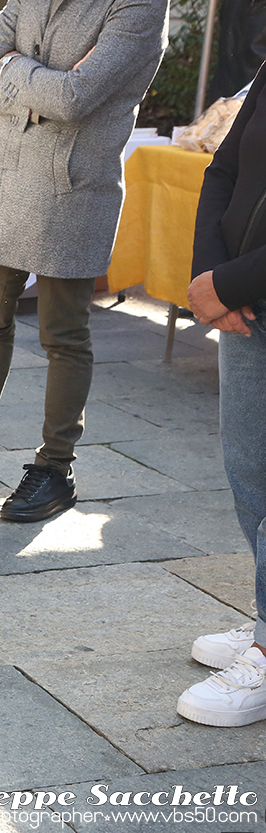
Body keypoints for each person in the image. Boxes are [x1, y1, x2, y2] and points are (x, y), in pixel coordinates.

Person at [0, 0, 168, 523]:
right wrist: (39, 88)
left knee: (63, 333)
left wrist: (14, 68)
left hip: (74, 188)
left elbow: (74, 98)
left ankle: (55, 467)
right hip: (5, 180)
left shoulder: (139, 5)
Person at [179, 64, 266, 728]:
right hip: (249, 306)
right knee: (248, 471)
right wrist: (207, 274)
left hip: (248, 288)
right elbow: (224, 171)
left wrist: (228, 280)